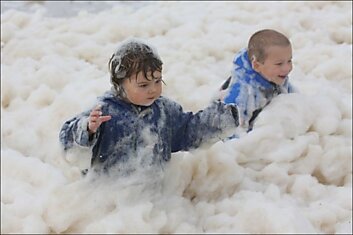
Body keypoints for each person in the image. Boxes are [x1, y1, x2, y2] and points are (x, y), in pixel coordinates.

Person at [59, 38, 240, 176]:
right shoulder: (105, 111)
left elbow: (188, 131)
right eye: (143, 85)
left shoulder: (164, 110)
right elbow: (67, 139)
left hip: (150, 200)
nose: (153, 89)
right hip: (110, 194)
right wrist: (88, 129)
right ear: (119, 85)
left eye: (157, 80)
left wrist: (218, 120)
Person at [218, 29, 296, 132]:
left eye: (289, 60)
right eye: (279, 64)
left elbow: (292, 96)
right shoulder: (242, 94)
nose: (287, 68)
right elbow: (230, 133)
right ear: (256, 65)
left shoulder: (276, 75)